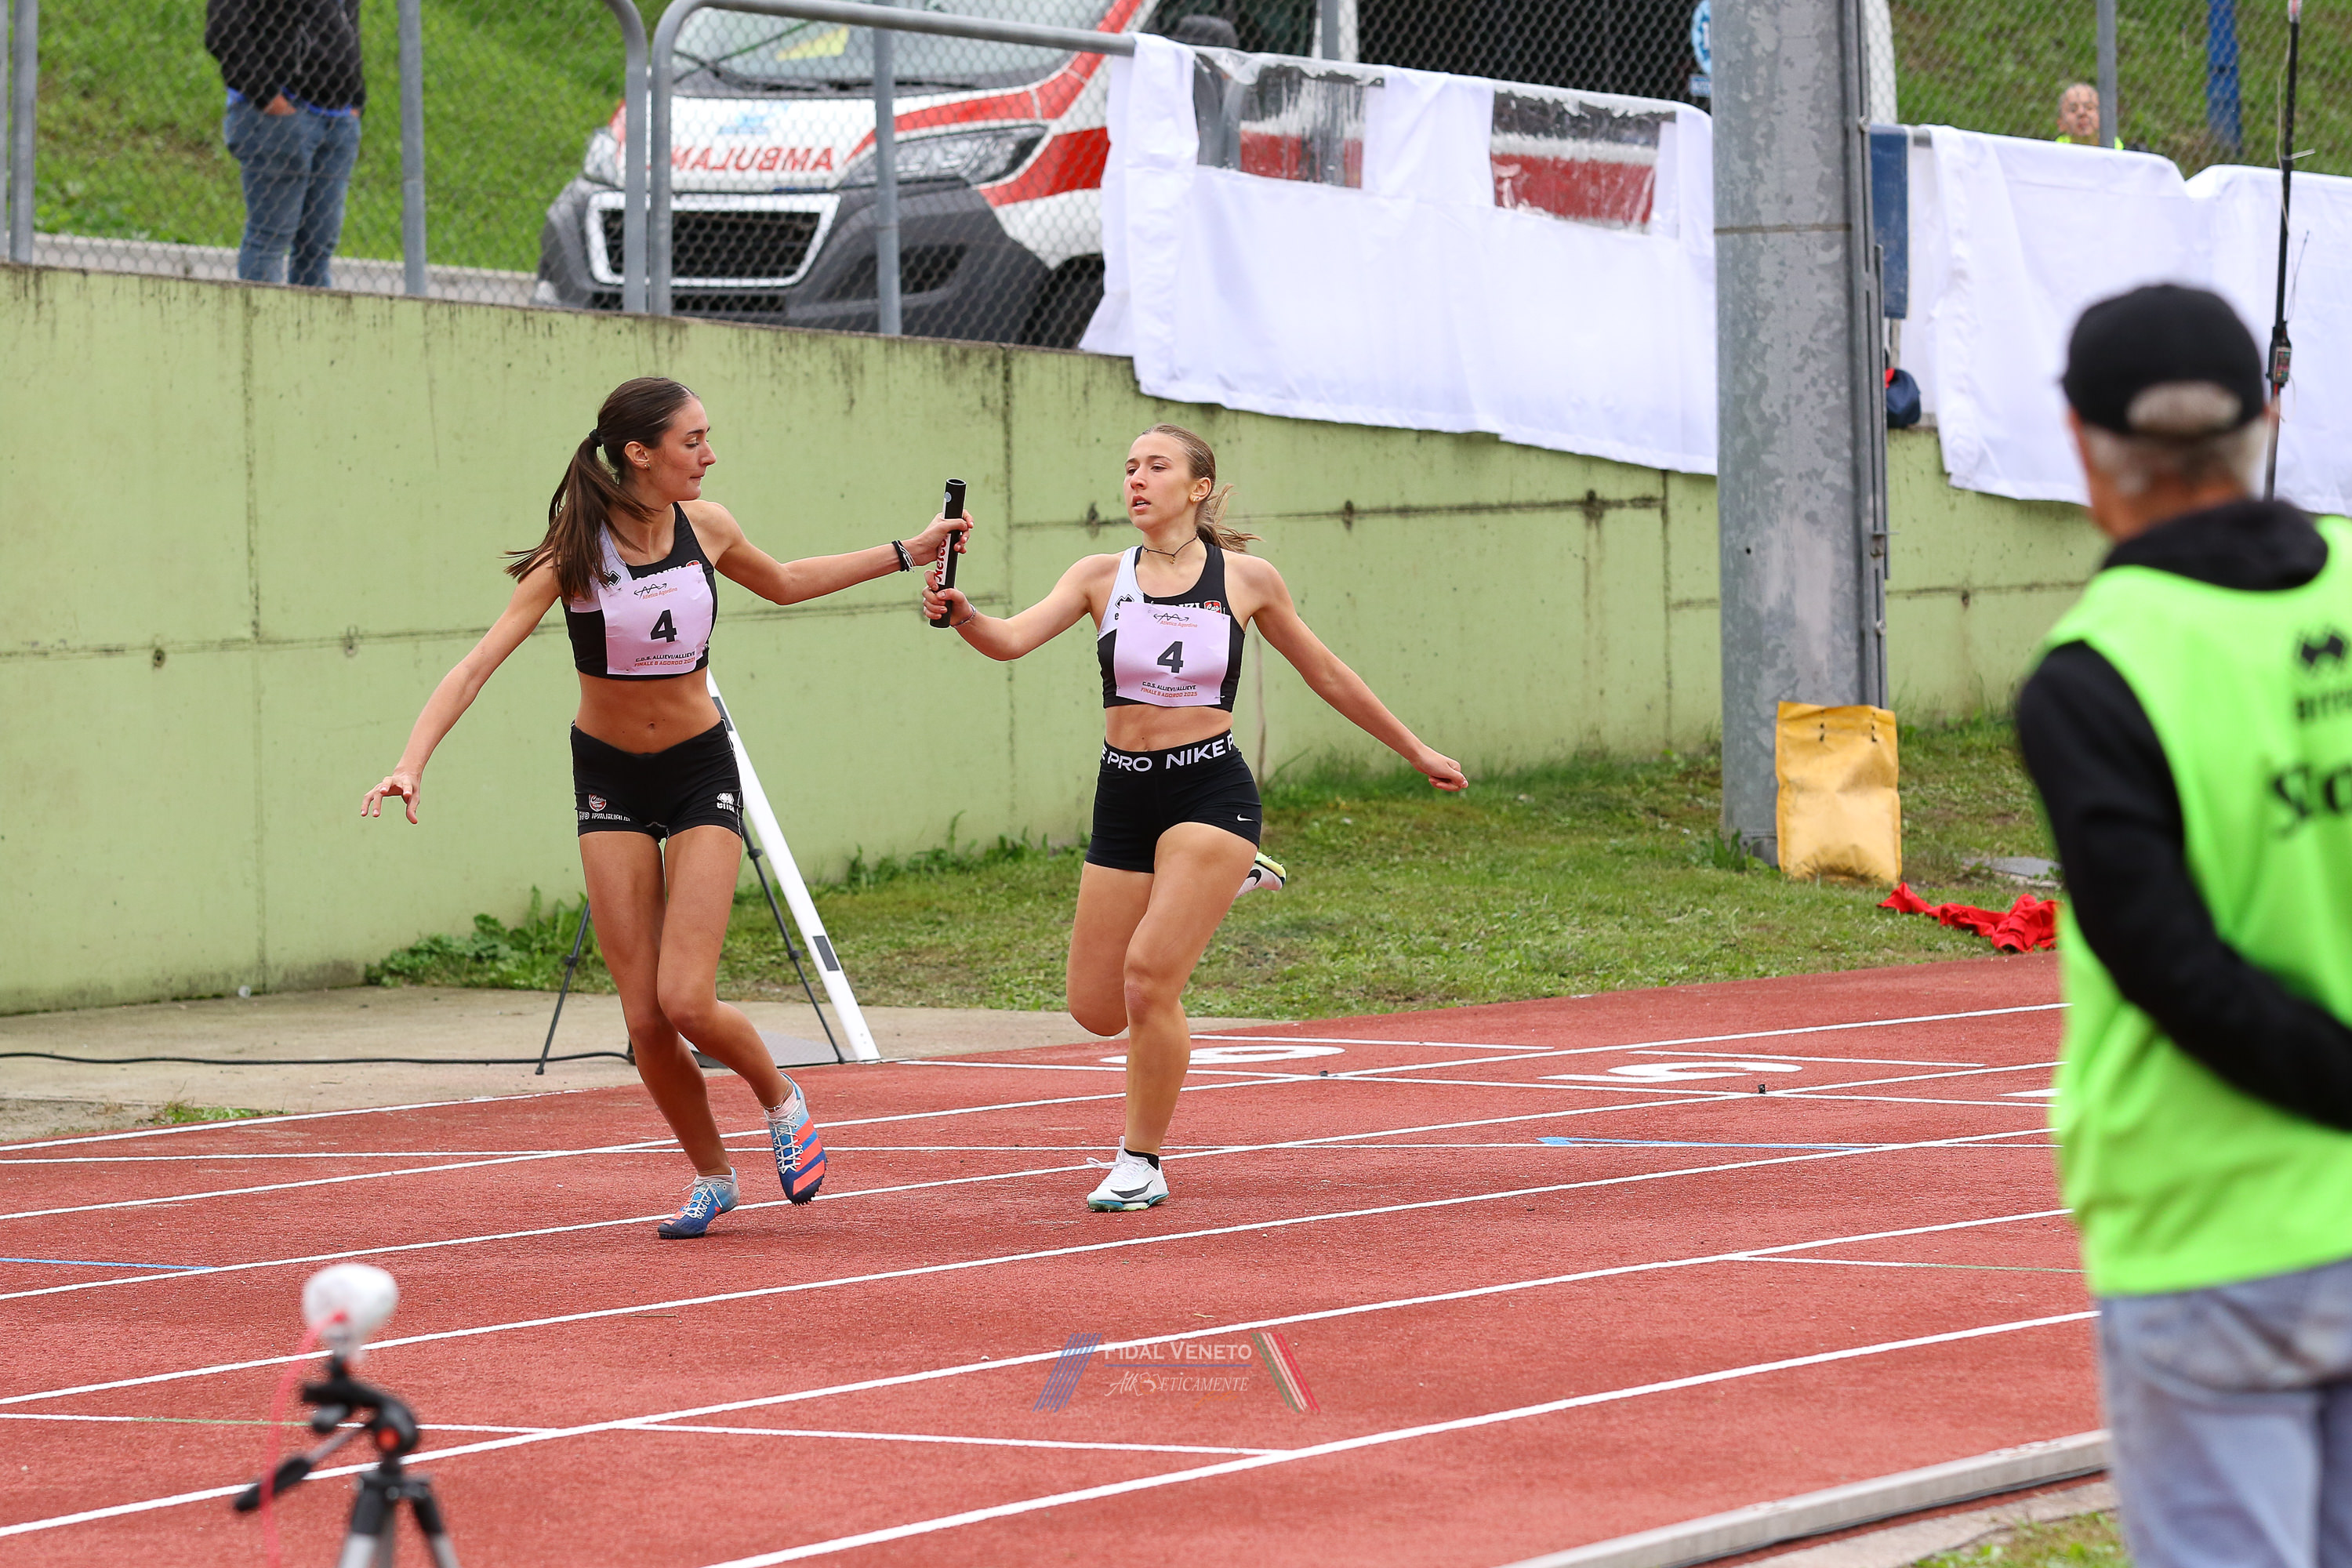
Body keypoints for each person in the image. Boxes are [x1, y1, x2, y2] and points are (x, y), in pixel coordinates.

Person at [362, 376, 970, 1240]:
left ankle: (782, 1099)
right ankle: (713, 1176)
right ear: (639, 453)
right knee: (644, 1018)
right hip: (609, 775)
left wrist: (911, 549)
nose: (709, 454)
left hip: (697, 769)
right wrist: (409, 762)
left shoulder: (706, 526)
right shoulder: (573, 555)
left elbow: (787, 581)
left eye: (707, 437)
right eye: (693, 441)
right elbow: (475, 666)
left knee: (686, 998)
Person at [2016, 284, 2352, 1565]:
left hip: (2208, 1227)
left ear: (2082, 445)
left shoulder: (2096, 671)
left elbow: (2172, 966)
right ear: (2268, 421)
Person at [922, 423, 1465, 1212]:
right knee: (1096, 1008)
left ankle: (1140, 1160)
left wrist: (1415, 749)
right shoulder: (1099, 576)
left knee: (1149, 980)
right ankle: (1229, 880)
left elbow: (1326, 672)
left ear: (1198, 486)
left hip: (1209, 792)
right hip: (1123, 795)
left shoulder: (1246, 580)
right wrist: (967, 613)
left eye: (1157, 466)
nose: (1137, 479)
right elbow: (1008, 641)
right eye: (1129, 468)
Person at [204, 0, 366, 288]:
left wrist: (356, 100)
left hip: (339, 118)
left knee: (318, 246)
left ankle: (313, 317)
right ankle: (260, 316)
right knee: (270, 238)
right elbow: (223, 29)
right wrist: (268, 96)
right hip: (279, 116)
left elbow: (347, 24)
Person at [2054, 82, 2121, 149]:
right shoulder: (2057, 149)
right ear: (2061, 124)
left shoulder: (2115, 148)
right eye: (2073, 110)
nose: (2082, 112)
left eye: (2089, 108)